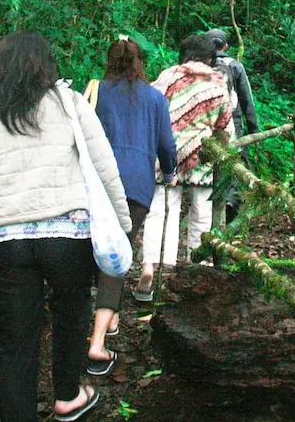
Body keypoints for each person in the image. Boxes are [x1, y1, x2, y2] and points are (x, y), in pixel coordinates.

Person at [0, 31, 131, 422]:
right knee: (72, 312)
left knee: (12, 338)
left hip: (2, 239)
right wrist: (122, 225)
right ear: (47, 66)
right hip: (68, 233)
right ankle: (67, 396)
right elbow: (105, 169)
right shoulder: (71, 104)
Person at [82, 37, 178, 376]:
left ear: (110, 60)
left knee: (93, 248)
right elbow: (167, 145)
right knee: (117, 254)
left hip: (97, 182)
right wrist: (170, 173)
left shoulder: (95, 90)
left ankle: (102, 321)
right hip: (136, 185)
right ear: (140, 62)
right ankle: (99, 338)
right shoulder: (155, 98)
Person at [135, 34, 233, 299]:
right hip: (203, 156)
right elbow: (225, 124)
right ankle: (197, 267)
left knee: (160, 212)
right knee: (201, 213)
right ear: (210, 58)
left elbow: (149, 110)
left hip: (166, 155)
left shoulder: (168, 78)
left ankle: (153, 267)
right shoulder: (217, 82)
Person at [206, 28, 259, 222]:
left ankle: (208, 204)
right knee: (236, 162)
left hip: (206, 123)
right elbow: (246, 100)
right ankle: (230, 202)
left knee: (209, 161)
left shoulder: (200, 65)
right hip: (231, 123)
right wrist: (254, 129)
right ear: (226, 46)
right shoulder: (235, 66)